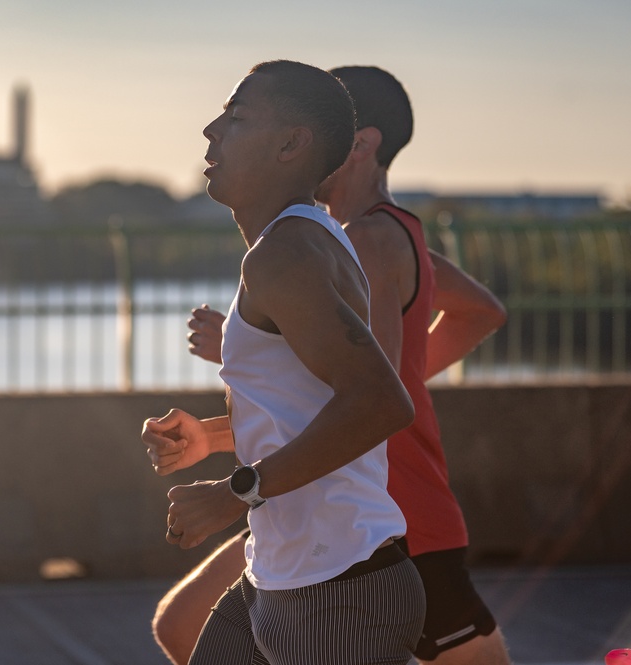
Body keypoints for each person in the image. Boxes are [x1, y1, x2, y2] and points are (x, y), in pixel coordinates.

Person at [148, 66, 511, 665]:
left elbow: (380, 400)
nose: (211, 131)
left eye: (236, 118)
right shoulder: (308, 239)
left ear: (294, 144)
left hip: (340, 580)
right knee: (183, 629)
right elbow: (331, 394)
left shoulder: (294, 252)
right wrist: (211, 435)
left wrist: (235, 492)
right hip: (291, 567)